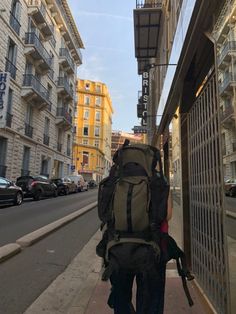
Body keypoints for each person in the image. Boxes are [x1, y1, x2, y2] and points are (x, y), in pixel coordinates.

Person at [109, 190, 173, 314]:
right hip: (153, 251)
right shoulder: (158, 180)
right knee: (150, 302)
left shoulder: (116, 177)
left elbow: (105, 214)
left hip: (119, 251)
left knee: (121, 301)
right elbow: (167, 215)